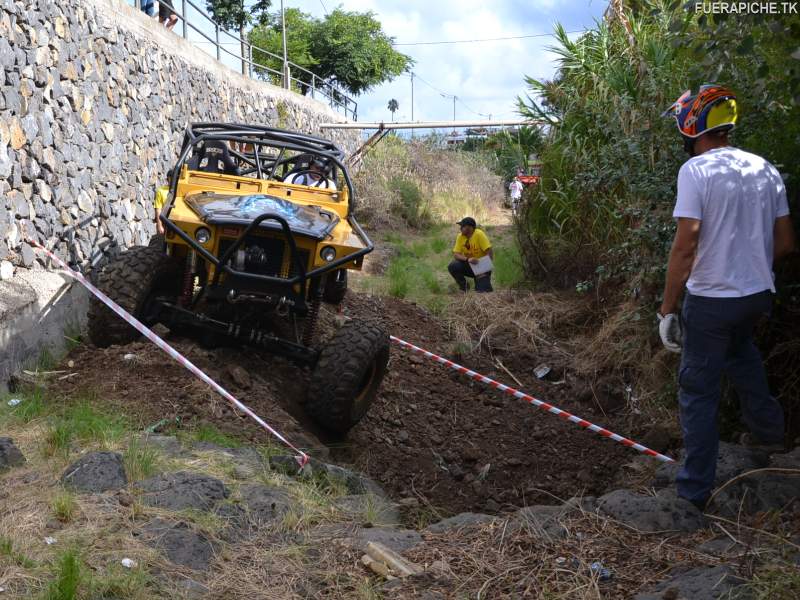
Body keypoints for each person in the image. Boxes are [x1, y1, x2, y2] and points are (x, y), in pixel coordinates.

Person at [658, 84, 796, 511]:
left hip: (711, 301)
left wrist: (666, 309)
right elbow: (787, 242)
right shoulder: (764, 168)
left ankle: (693, 491)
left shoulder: (695, 171)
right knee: (743, 357)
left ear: (691, 126)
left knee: (698, 390)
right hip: (756, 296)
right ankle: (773, 437)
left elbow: (685, 247)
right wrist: (750, 266)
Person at [448, 217, 494, 292]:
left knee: (483, 292)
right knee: (453, 266)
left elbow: (489, 251)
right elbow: (456, 254)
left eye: (462, 226)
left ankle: (482, 282)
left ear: (469, 228)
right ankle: (464, 287)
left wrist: (484, 269)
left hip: (481, 267)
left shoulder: (479, 234)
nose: (460, 228)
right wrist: (468, 259)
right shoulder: (460, 236)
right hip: (469, 265)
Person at [153, 169, 173, 235]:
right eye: (171, 177)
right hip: (164, 223)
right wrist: (159, 225)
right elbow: (158, 209)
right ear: (168, 178)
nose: (173, 179)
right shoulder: (161, 191)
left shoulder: (180, 191)